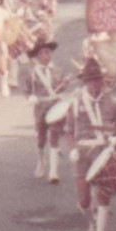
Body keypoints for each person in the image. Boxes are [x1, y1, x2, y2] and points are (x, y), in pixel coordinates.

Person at [69, 59, 116, 231]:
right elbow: (68, 131)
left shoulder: (111, 103)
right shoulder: (75, 102)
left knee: (104, 194)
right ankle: (92, 219)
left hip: (103, 151)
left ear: (102, 81)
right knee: (84, 201)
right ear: (85, 82)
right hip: (82, 153)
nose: (95, 84)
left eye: (98, 80)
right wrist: (73, 149)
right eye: (91, 80)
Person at [23, 37, 70, 183]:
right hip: (41, 108)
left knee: (55, 135)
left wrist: (64, 85)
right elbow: (27, 90)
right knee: (41, 138)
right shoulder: (32, 72)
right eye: (42, 53)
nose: (45, 56)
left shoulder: (57, 70)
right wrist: (31, 97)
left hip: (55, 106)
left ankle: (53, 171)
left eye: (48, 52)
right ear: (37, 56)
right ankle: (41, 159)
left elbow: (61, 89)